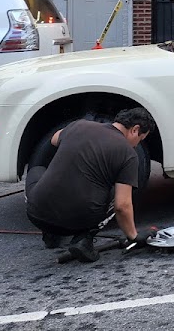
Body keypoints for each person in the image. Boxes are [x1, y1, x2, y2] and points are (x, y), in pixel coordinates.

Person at [24, 107, 157, 263]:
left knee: (37, 170)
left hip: (36, 215)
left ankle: (50, 234)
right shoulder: (128, 154)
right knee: (119, 190)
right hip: (76, 223)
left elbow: (54, 139)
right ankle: (84, 239)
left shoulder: (79, 126)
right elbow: (122, 206)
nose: (136, 145)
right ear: (135, 130)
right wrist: (133, 236)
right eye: (141, 139)